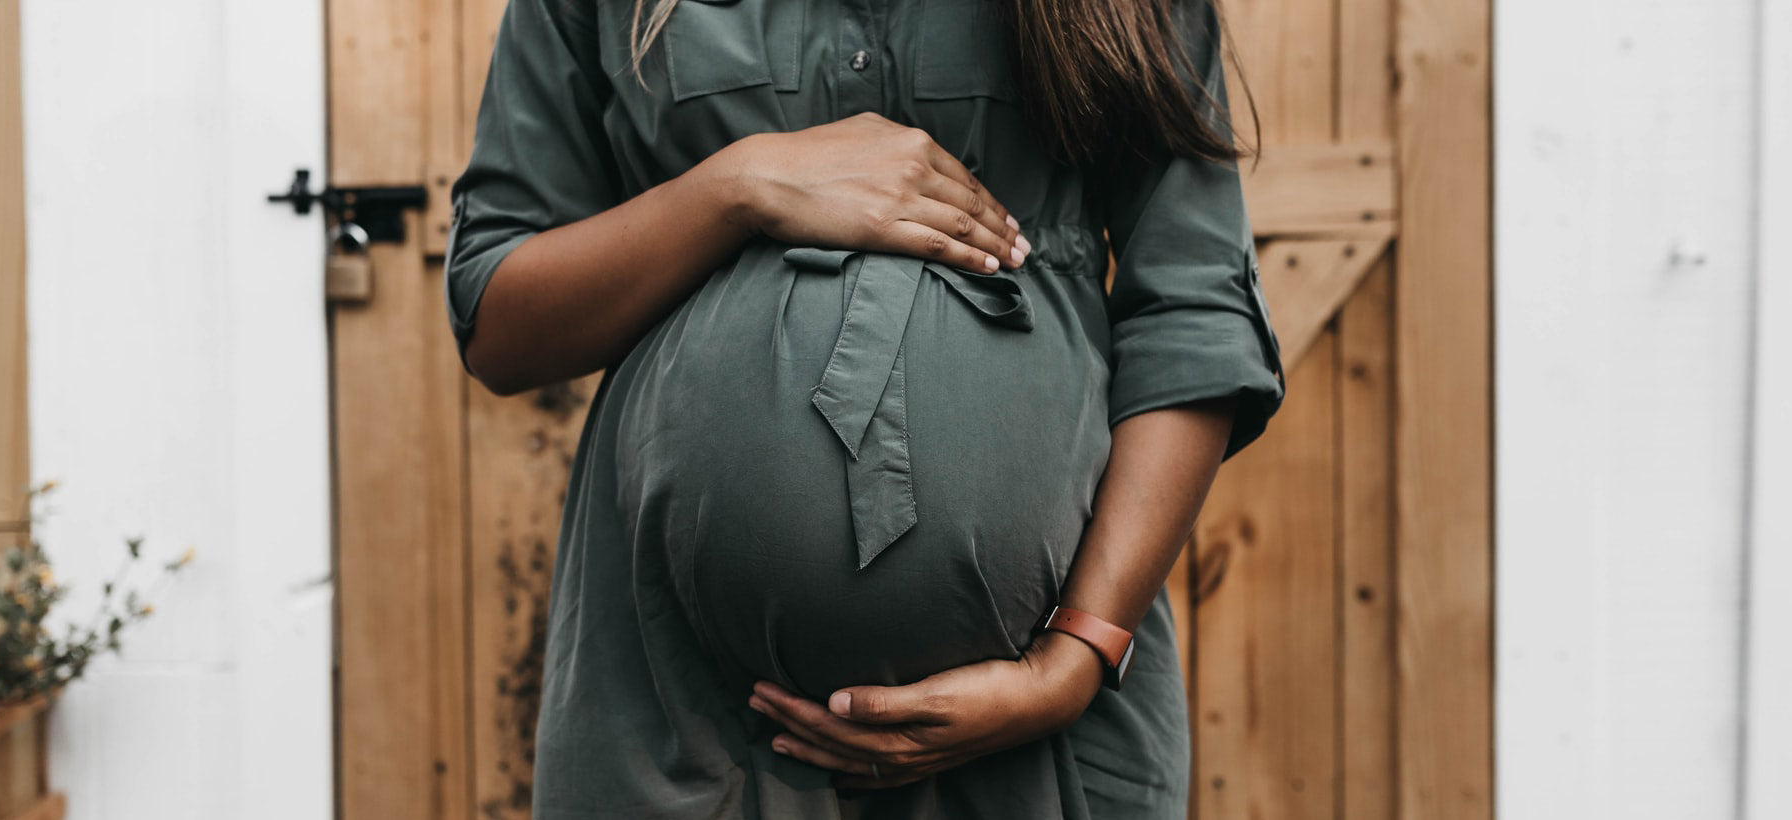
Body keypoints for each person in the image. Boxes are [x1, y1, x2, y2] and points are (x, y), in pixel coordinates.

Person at [443, 0, 1284, 816]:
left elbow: (1193, 310)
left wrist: (1073, 659)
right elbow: (500, 326)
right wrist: (736, 186)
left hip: (1040, 738)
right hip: (684, 723)